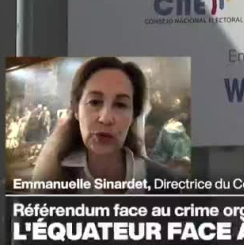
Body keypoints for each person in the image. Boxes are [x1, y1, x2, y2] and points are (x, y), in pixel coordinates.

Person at [31, 57, 184, 194]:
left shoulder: (164, 184)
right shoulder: (53, 181)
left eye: (120, 104)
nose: (105, 118)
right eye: (94, 102)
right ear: (76, 110)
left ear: (133, 116)